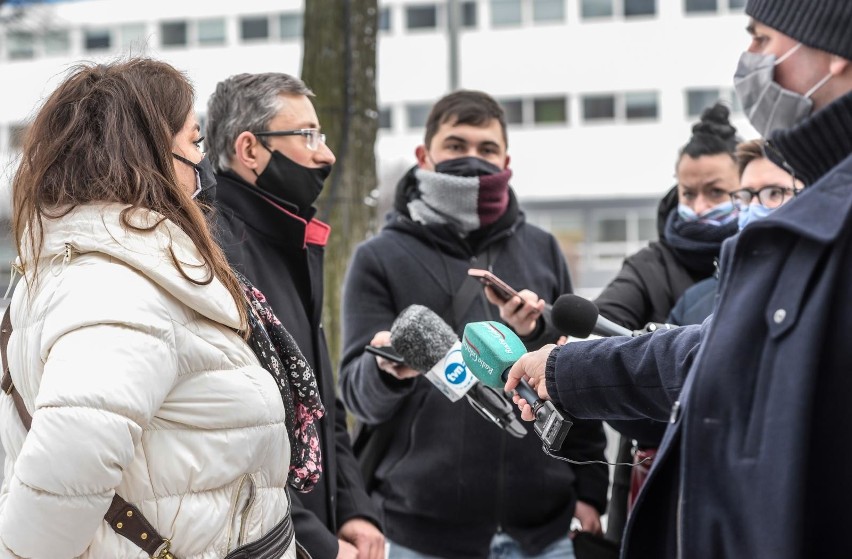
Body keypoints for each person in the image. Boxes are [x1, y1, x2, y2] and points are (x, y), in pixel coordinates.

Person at [506, 0, 852, 556]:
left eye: (763, 39)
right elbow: (712, 355)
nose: (750, 60)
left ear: (833, 53)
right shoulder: (791, 230)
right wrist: (566, 365)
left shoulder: (824, 226)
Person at [0, 58, 313, 558]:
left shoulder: (128, 267)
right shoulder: (116, 291)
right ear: (144, 153)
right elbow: (61, 481)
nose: (202, 165)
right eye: (194, 142)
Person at [338, 90, 609, 559]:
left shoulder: (542, 248)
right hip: (417, 534)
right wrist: (388, 370)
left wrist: (590, 487)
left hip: (543, 533)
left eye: (486, 149)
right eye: (456, 146)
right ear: (425, 155)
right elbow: (356, 394)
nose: (472, 160)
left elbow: (572, 368)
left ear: (507, 159)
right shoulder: (378, 257)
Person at [206, 72, 385, 559]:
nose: (325, 154)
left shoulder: (291, 240)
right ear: (250, 149)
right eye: (307, 135)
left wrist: (353, 507)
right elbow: (238, 437)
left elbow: (322, 404)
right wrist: (320, 545)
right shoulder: (216, 253)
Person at [593, 102, 742, 542]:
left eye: (716, 193)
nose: (698, 206)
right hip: (653, 468)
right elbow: (602, 321)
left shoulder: (766, 264)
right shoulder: (649, 265)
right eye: (687, 193)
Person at [667, 137, 802, 325]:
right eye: (746, 197)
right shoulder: (698, 302)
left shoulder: (834, 287)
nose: (754, 207)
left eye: (774, 193)